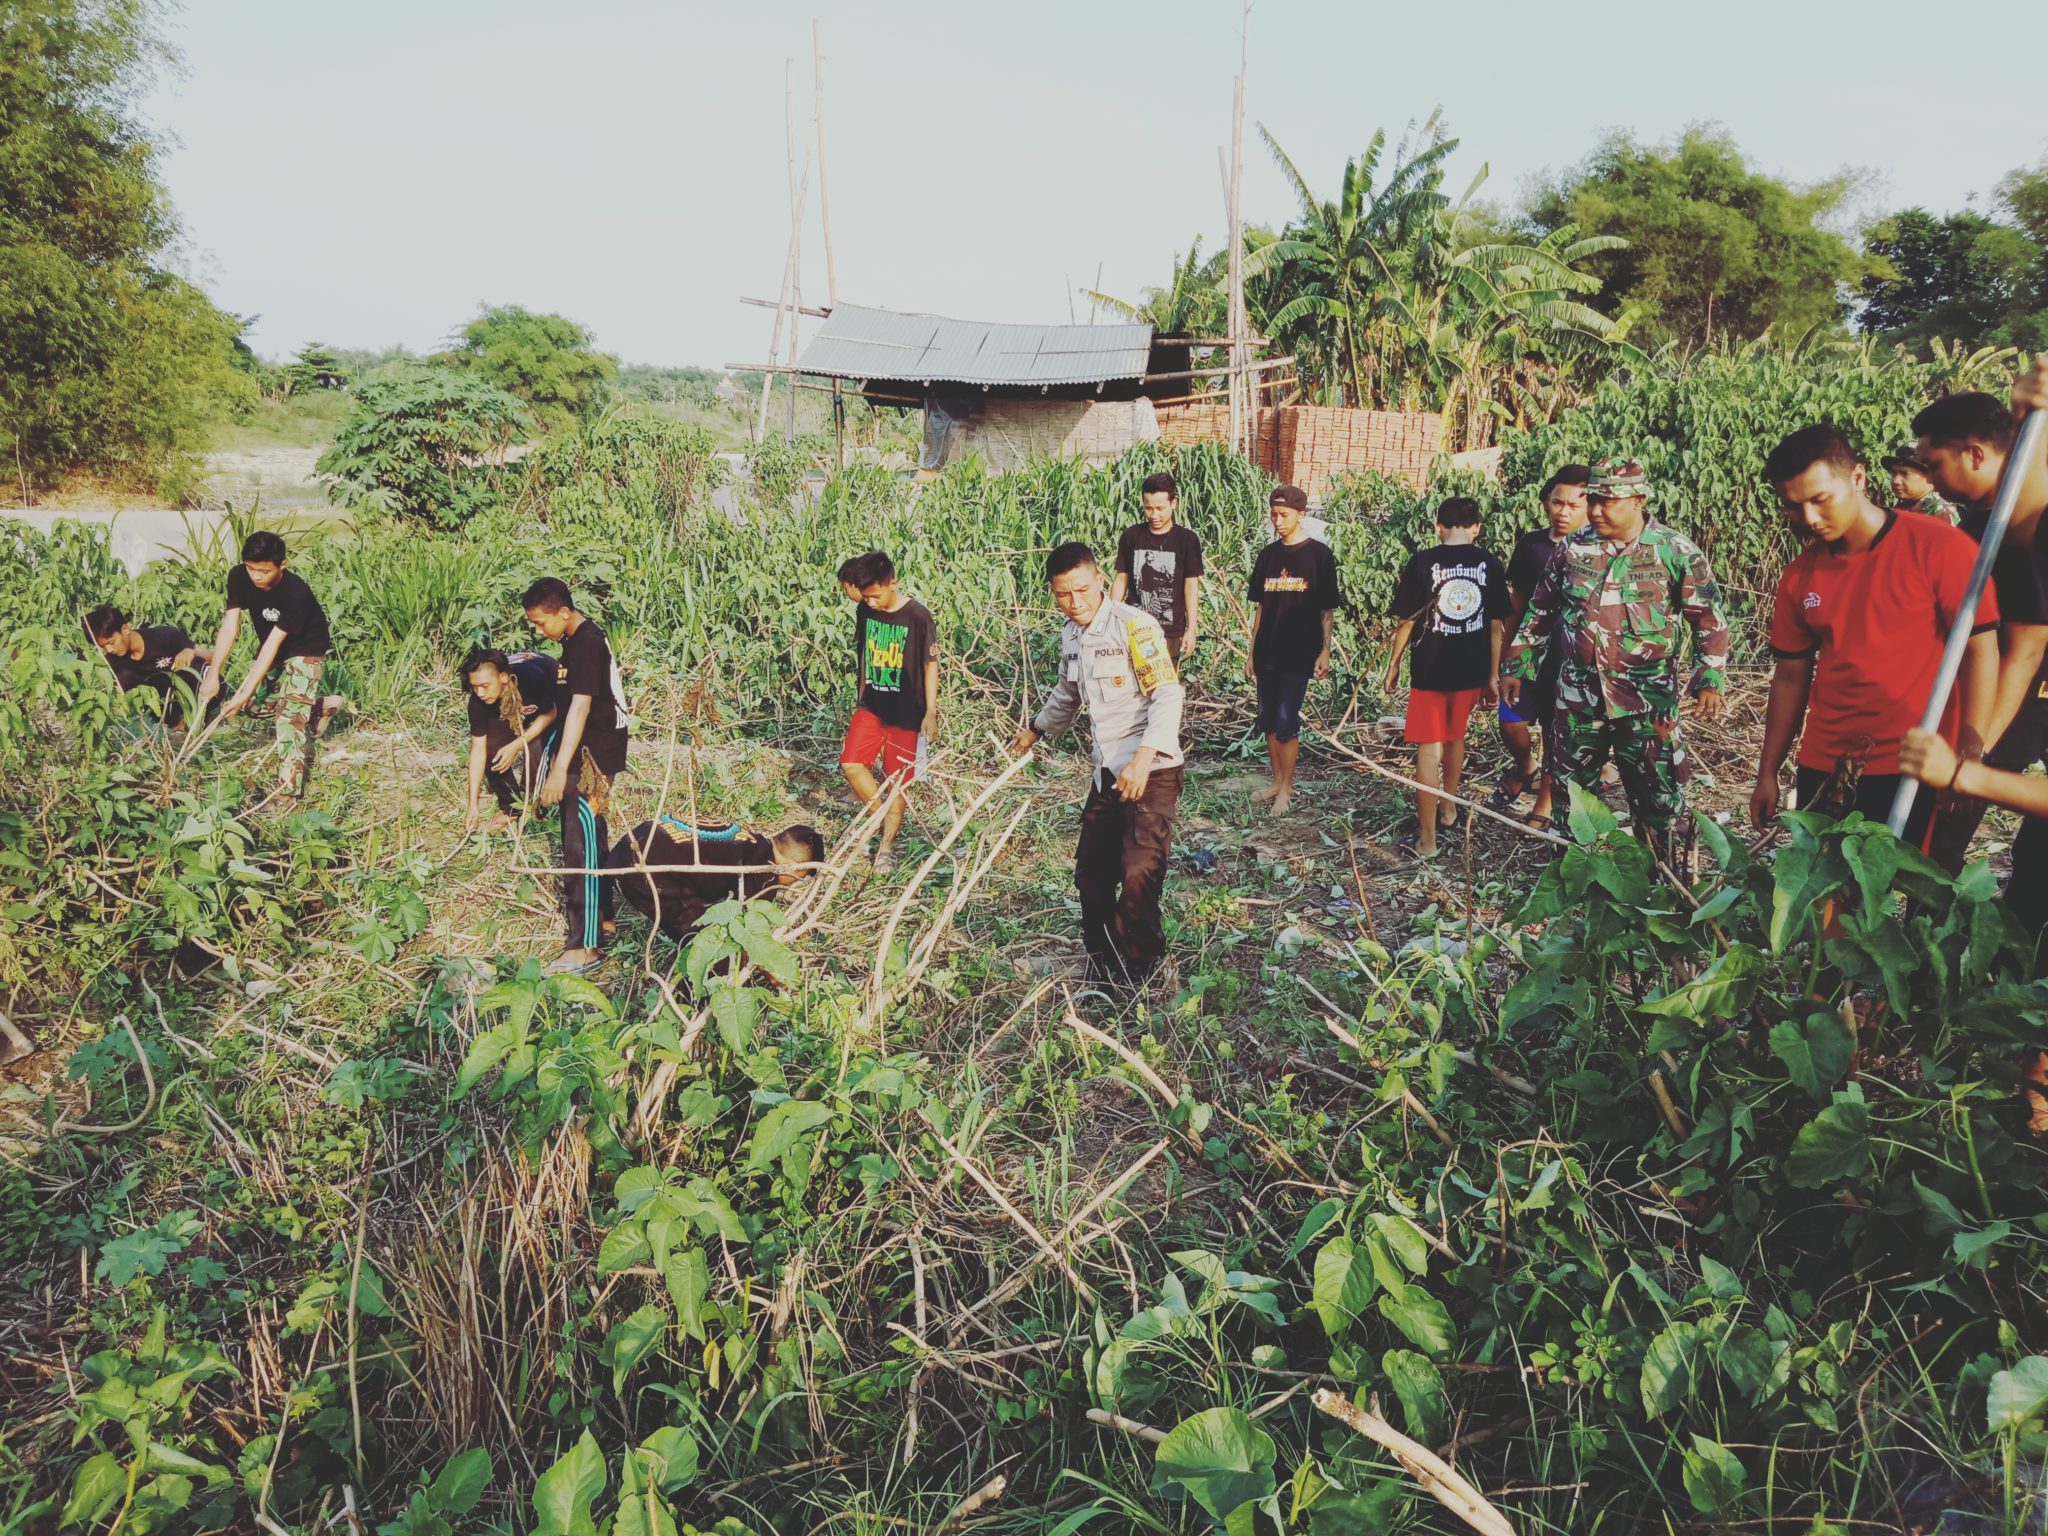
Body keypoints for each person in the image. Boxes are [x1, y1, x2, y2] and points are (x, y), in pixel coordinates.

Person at [1749, 424, 1999, 849]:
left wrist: (1971, 756)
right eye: (1792, 506)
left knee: (1927, 894)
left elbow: (1981, 651)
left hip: (1918, 760)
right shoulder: (1798, 577)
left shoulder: (1939, 547)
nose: (1809, 518)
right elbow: (1791, 676)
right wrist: (1768, 771)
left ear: (1859, 478)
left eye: (1820, 499)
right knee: (1830, 893)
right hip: (1828, 762)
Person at [1502, 457, 1730, 864]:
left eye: (1606, 501)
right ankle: (1576, 887)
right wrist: (1517, 665)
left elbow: (1708, 617)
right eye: (1593, 500)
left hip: (1647, 705)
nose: (1594, 511)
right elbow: (1539, 610)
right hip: (1577, 702)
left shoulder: (1674, 551)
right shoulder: (1573, 548)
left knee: (1660, 803)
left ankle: (1667, 888)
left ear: (1638, 500)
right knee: (1573, 805)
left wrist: (1709, 675)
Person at [1009, 541, 1186, 990]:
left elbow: (1168, 694)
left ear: (1101, 581)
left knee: (1138, 873)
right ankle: (1103, 964)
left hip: (1151, 769)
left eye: (1083, 590)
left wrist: (1144, 759)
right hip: (1107, 772)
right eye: (1063, 594)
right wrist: (1035, 729)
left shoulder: (1134, 627)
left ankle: (1144, 973)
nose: (1075, 602)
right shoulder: (1072, 634)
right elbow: (1068, 693)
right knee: (1091, 874)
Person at [1913, 360, 2048, 928]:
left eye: (1933, 462)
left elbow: (2027, 643)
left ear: (1975, 453)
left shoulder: (2029, 520)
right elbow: (2005, 641)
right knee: (1946, 816)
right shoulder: (1972, 530)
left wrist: (1976, 753)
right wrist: (1972, 750)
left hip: (2030, 684)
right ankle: (1930, 937)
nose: (1927, 476)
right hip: (2009, 686)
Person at [1383, 497, 1510, 858]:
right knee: (1455, 735)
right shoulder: (1490, 563)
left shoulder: (1423, 561)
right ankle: (1449, 809)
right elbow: (1495, 626)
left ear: (1438, 526)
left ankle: (1427, 840)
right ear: (1476, 529)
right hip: (1471, 667)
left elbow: (1406, 620)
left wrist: (1393, 664)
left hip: (1431, 668)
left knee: (1429, 745)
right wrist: (1492, 675)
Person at [523, 577, 631, 975]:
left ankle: (585, 948)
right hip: (585, 750)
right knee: (590, 833)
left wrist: (558, 770)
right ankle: (604, 919)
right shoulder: (572, 641)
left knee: (579, 842)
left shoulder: (586, 643)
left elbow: (581, 710)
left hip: (594, 755)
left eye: (539, 623)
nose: (537, 631)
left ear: (563, 612)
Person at [196, 531, 342, 800]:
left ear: (282, 565)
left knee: (289, 719)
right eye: (251, 568)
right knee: (252, 706)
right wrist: (213, 674)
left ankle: (288, 793)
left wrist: (241, 693)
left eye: (263, 570)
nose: (255, 576)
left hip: (304, 649)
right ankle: (319, 705)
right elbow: (230, 627)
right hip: (271, 649)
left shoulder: (296, 593)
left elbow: (273, 644)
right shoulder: (238, 576)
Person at [1493, 465, 1591, 828]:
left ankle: (1545, 803)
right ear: (1546, 502)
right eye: (1557, 502)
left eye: (1572, 505)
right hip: (1527, 654)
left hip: (1570, 660)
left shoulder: (1595, 551)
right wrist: (1505, 657)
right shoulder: (1531, 546)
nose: (1563, 512)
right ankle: (1524, 766)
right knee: (1511, 723)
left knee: (1556, 731)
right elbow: (1516, 604)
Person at [1247, 484, 1343, 816]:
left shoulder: (1319, 555)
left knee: (1288, 721)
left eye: (1284, 515)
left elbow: (1326, 610)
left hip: (1299, 651)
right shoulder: (1268, 556)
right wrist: (1251, 652)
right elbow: (1259, 608)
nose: (1277, 521)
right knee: (1269, 720)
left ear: (1302, 514)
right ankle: (1276, 780)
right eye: (1273, 514)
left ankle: (1287, 788)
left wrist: (1325, 651)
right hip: (1267, 650)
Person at [840, 552, 938, 873]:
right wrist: (861, 697)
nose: (870, 602)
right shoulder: (865, 611)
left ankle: (887, 847)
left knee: (898, 782)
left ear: (892, 583)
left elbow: (930, 665)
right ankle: (880, 817)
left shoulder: (918, 617)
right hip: (872, 705)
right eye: (865, 597)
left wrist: (931, 712)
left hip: (905, 713)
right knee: (851, 764)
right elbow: (865, 654)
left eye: (875, 595)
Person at [605, 818, 824, 946]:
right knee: (702, 940)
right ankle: (693, 996)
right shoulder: (764, 871)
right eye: (796, 879)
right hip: (644, 869)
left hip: (629, 846)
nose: (787, 885)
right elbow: (749, 932)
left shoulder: (749, 841)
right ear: (792, 867)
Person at [460, 647, 560, 833]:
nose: (480, 693)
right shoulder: (478, 702)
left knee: (536, 745)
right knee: (492, 746)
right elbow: (478, 750)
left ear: (503, 678)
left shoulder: (532, 679)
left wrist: (516, 744)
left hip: (553, 696)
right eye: (475, 687)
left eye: (484, 686)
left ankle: (532, 803)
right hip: (517, 705)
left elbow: (551, 713)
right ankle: (512, 807)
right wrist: (473, 804)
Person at [1111, 471, 1205, 664]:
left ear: (1174, 503)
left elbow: (1191, 587)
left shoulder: (1187, 540)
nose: (1154, 515)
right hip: (1134, 630)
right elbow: (1121, 580)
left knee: (1166, 690)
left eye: (1160, 508)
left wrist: (1191, 630)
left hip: (1170, 633)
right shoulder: (1131, 536)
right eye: (1148, 508)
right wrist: (1109, 619)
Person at [84, 605, 212, 724]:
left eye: (111, 642)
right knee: (124, 679)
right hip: (164, 706)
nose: (110, 650)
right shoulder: (113, 660)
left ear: (125, 629)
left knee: (194, 666)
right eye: (104, 646)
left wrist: (190, 651)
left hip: (196, 697)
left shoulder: (163, 636)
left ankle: (203, 716)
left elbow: (212, 657)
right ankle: (173, 726)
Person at [1882, 442, 1960, 524]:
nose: (1895, 480)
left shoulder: (1942, 514)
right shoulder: (1903, 507)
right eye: (1894, 473)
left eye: (1905, 474)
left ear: (1928, 476)